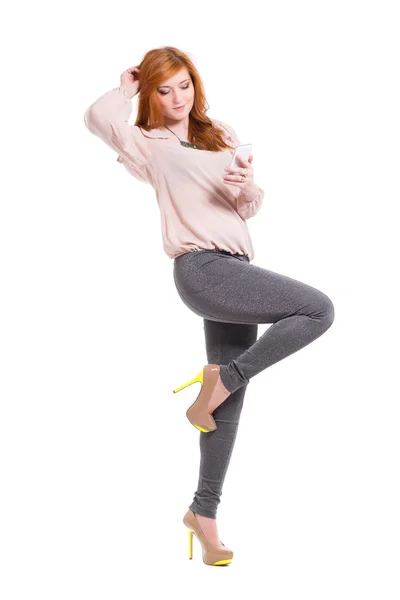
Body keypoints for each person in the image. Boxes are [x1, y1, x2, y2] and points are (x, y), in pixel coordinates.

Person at [84, 46, 335, 566]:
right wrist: (128, 84)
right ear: (149, 94)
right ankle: (220, 381)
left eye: (185, 85)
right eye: (163, 88)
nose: (178, 97)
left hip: (236, 265)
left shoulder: (218, 131)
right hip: (202, 269)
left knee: (227, 403)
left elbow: (245, 207)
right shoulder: (146, 143)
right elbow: (96, 117)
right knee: (317, 310)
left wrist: (248, 188)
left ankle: (204, 515)